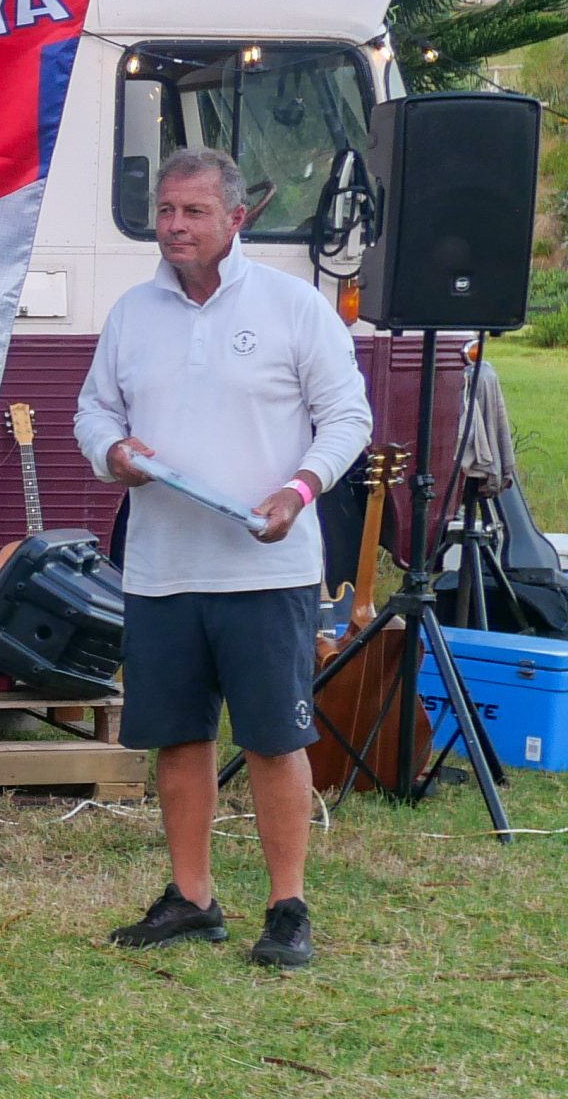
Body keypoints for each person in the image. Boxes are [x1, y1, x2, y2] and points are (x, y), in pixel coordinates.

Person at [74, 148, 371, 969]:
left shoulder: (292, 305)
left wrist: (301, 489)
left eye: (194, 212)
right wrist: (113, 453)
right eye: (166, 211)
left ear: (236, 219)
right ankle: (192, 898)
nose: (174, 226)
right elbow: (93, 412)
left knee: (274, 740)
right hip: (162, 567)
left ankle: (287, 908)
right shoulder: (132, 312)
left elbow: (348, 415)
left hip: (266, 569)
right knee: (178, 738)